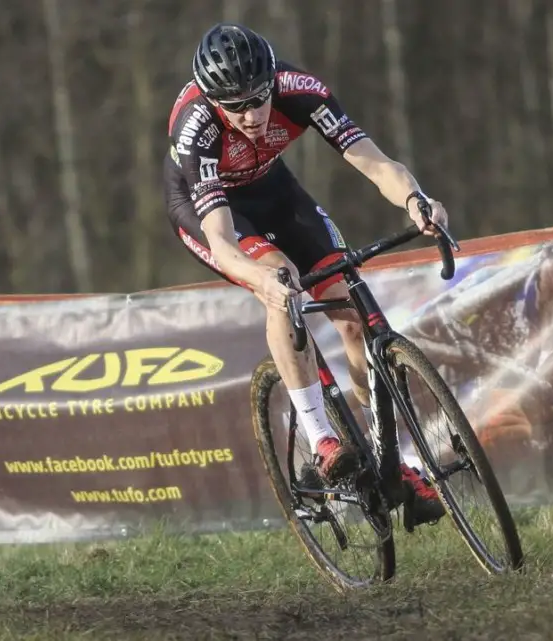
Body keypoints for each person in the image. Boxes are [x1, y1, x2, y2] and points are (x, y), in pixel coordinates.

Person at [164, 22, 447, 524]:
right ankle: (321, 438)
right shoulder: (197, 129)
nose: (251, 116)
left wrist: (415, 200)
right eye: (236, 107)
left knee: (352, 313)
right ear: (213, 102)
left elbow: (376, 163)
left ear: (272, 81)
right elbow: (225, 245)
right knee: (282, 279)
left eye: (258, 100)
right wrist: (263, 279)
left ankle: (391, 461)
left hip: (274, 191)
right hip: (212, 215)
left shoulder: (300, 91)